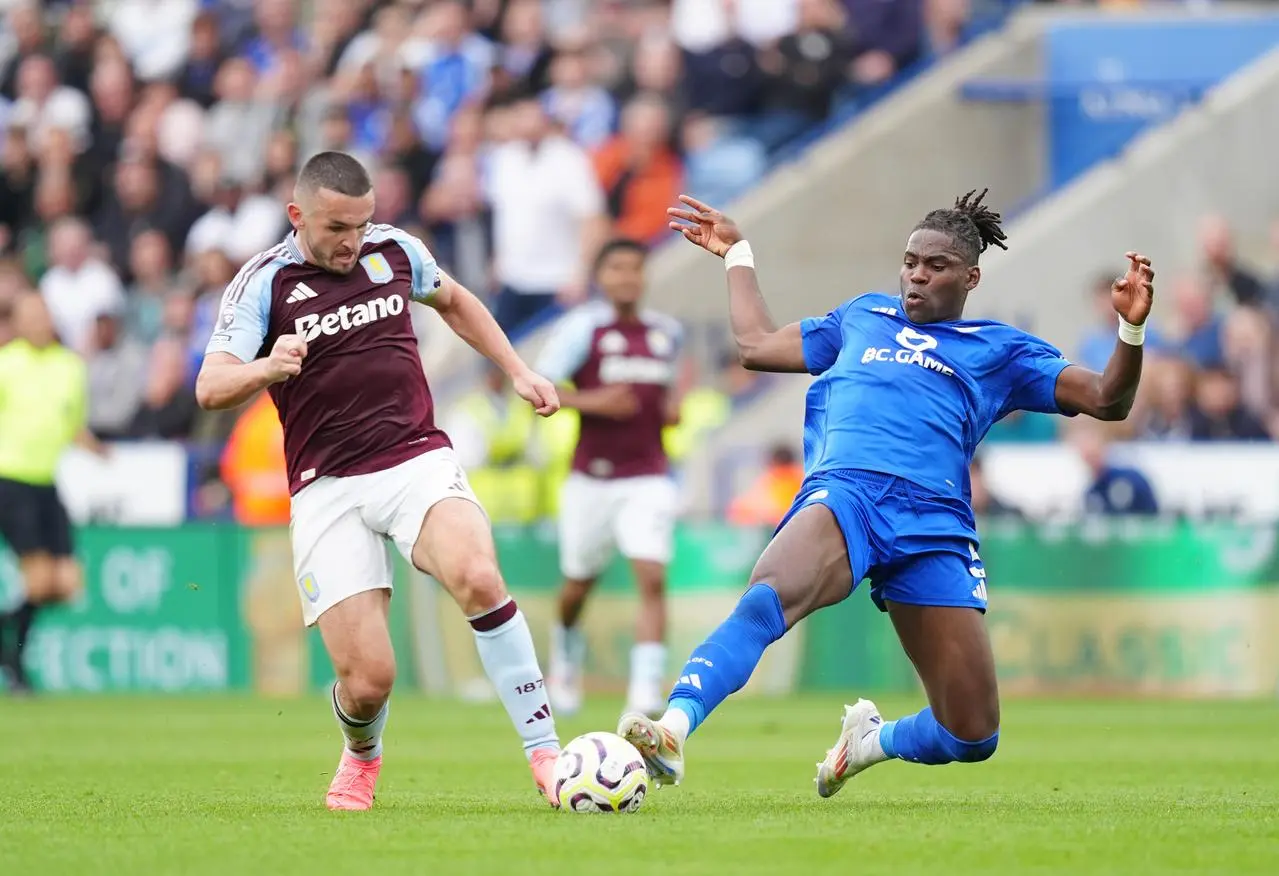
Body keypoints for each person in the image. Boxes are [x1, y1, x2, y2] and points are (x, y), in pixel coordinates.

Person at [618, 192, 1154, 795]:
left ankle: (870, 741)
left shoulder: (1000, 350)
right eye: (910, 261)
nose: (917, 274)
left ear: (971, 276)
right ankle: (674, 727)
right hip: (851, 494)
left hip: (936, 526)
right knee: (771, 596)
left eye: (937, 265)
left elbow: (1109, 399)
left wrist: (1130, 329)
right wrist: (736, 253)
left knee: (973, 734)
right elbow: (756, 346)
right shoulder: (862, 317)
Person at [195, 151, 564, 811]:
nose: (351, 242)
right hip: (325, 486)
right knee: (369, 682)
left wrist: (516, 369)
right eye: (337, 227)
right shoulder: (263, 283)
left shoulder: (395, 251)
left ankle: (547, 754)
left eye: (361, 224)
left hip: (413, 457)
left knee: (478, 575)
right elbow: (209, 385)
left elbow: (455, 300)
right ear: (296, 215)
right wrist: (266, 368)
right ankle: (362, 752)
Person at [535, 238, 683, 719]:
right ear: (601, 277)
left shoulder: (666, 332)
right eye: (617, 268)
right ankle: (564, 661)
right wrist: (597, 402)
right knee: (578, 585)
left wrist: (670, 409)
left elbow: (665, 394)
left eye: (635, 269)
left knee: (652, 577)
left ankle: (644, 690)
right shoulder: (584, 329)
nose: (627, 277)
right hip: (591, 479)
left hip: (648, 476)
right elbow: (539, 387)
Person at [0, 293, 102, 694]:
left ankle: (9, 649)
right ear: (18, 324)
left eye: (43, 314)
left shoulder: (70, 367)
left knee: (67, 583)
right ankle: (15, 661)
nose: (39, 322)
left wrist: (96, 448)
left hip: (46, 482)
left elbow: (72, 422)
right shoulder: (7, 363)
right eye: (30, 316)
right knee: (40, 581)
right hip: (10, 479)